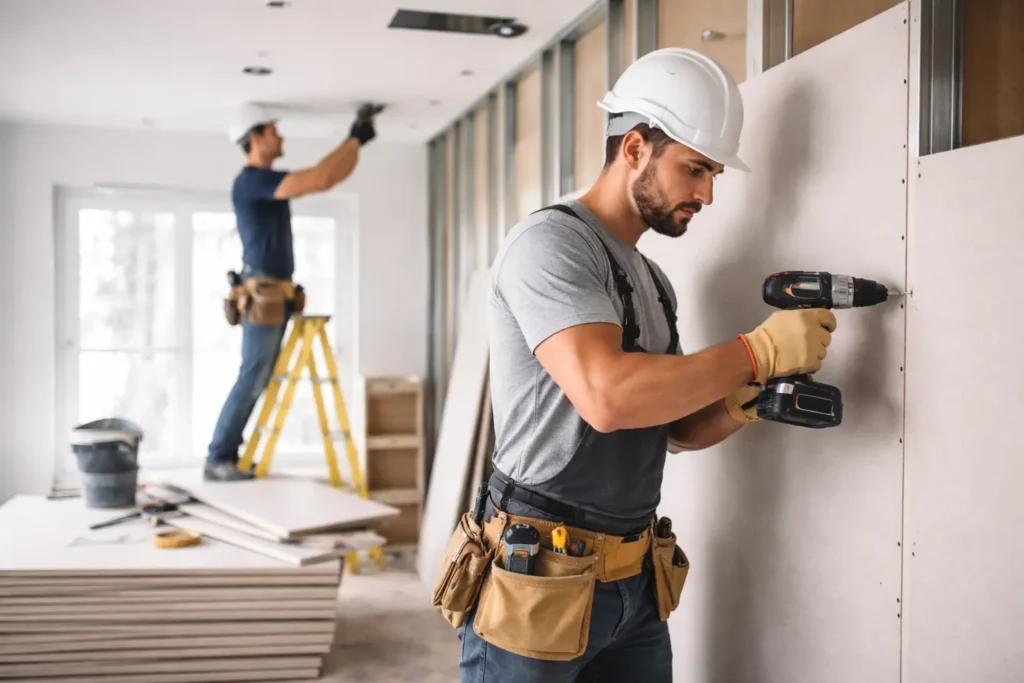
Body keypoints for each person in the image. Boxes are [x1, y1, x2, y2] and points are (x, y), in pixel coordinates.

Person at [456, 48, 837, 680]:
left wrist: (750, 396)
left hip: (634, 583)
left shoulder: (654, 280)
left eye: (714, 174)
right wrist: (755, 351)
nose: (708, 194)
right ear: (634, 147)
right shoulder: (551, 246)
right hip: (538, 577)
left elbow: (676, 428)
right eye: (695, 170)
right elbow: (608, 398)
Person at [204, 103, 379, 481]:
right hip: (263, 293)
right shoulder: (251, 180)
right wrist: (354, 140)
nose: (280, 136)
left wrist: (356, 145)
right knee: (252, 374)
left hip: (276, 293)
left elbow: (328, 178)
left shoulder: (262, 182)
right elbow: (319, 178)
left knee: (259, 375)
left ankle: (226, 454)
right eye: (273, 130)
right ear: (256, 137)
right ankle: (219, 457)